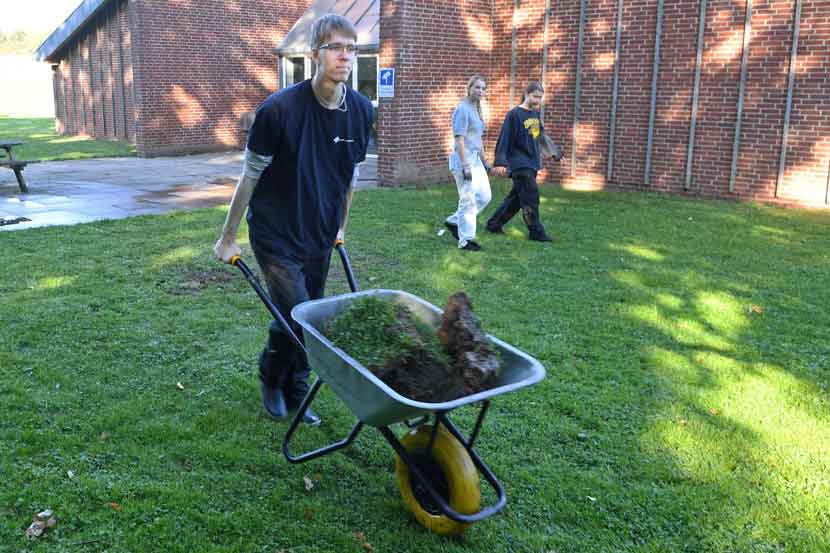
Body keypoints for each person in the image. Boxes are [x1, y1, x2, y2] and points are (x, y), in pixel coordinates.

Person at [213, 15, 374, 425]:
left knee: (306, 313)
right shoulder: (279, 110)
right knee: (299, 312)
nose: (345, 56)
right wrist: (227, 237)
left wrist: (341, 226)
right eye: (336, 47)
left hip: (319, 231)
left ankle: (296, 385)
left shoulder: (359, 111)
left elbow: (348, 178)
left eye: (351, 48)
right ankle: (273, 377)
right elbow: (250, 175)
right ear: (315, 53)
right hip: (275, 233)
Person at [486, 81, 560, 242]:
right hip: (519, 163)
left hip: (531, 162)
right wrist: (500, 162)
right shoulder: (514, 114)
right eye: (535, 96)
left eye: (540, 98)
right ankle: (536, 231)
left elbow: (538, 136)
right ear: (526, 94)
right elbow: (504, 138)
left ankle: (494, 224)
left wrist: (553, 152)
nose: (537, 101)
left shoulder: (534, 115)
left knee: (517, 199)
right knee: (531, 197)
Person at [444, 75, 492, 251]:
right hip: (463, 160)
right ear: (469, 88)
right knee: (468, 201)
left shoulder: (477, 108)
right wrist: (465, 166)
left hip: (476, 160)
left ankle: (455, 221)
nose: (481, 91)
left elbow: (477, 139)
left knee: (485, 196)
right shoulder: (462, 109)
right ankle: (465, 240)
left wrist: (485, 161)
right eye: (477, 87)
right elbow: (460, 141)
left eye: (483, 88)